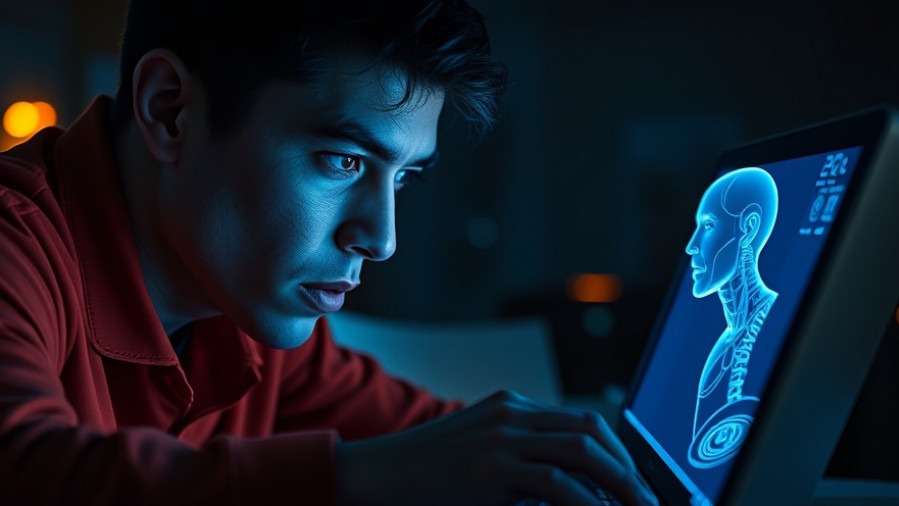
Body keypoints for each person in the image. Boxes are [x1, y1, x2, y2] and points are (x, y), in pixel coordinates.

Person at [0, 1, 657, 504]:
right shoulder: (16, 242)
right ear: (170, 111)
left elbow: (444, 443)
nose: (381, 239)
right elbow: (25, 468)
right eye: (343, 160)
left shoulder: (246, 305)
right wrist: (365, 476)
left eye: (403, 178)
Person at [684, 167, 779, 470]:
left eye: (708, 225)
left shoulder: (774, 326)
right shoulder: (724, 343)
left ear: (748, 227)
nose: (692, 245)